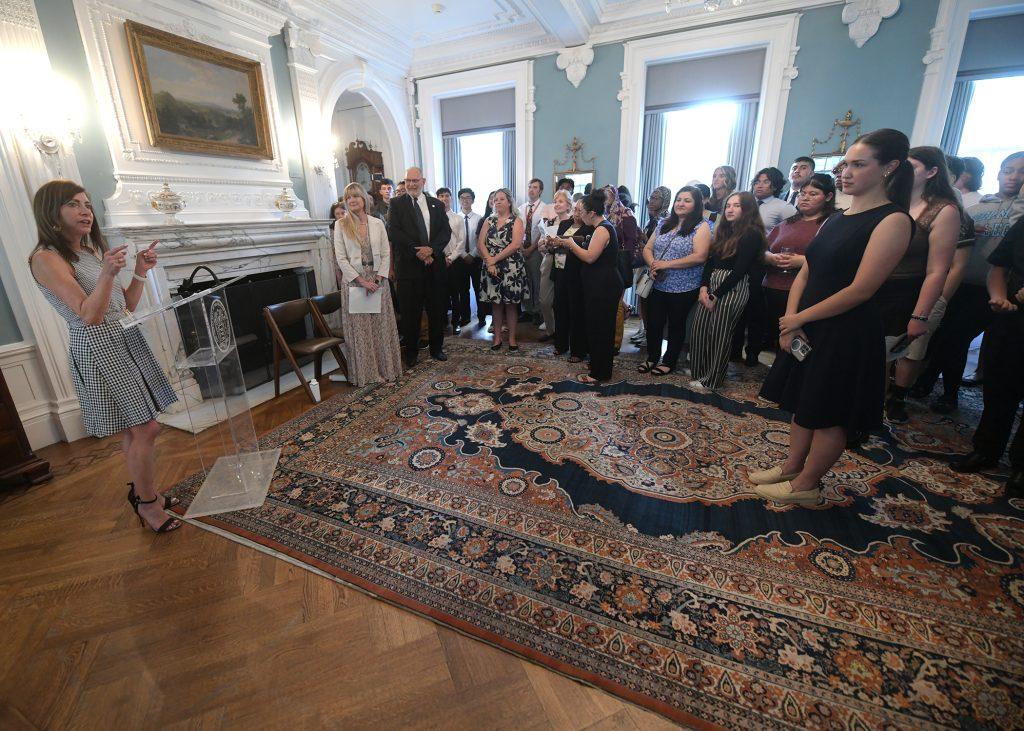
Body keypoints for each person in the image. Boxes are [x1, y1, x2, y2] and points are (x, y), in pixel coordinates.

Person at [755, 128, 915, 505]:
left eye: (859, 165)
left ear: (889, 167)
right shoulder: (838, 216)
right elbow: (808, 270)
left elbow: (861, 289)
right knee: (802, 402)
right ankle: (793, 466)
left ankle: (807, 485)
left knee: (829, 412)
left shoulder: (892, 220)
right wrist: (792, 316)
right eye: (845, 164)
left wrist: (798, 319)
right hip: (810, 323)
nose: (846, 172)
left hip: (846, 330)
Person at [29, 180, 180, 533]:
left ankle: (148, 495)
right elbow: (89, 314)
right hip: (98, 348)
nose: (85, 211)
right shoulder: (46, 258)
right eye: (73, 204)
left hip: (122, 338)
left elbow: (123, 306)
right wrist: (109, 272)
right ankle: (146, 504)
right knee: (148, 427)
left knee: (137, 428)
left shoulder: (88, 252)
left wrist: (139, 271)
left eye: (87, 204)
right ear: (52, 213)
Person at [913, 152, 1024, 410]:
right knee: (945, 335)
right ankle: (929, 382)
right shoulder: (976, 208)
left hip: (997, 290)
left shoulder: (1019, 212)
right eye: (1008, 170)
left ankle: (948, 393)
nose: (1014, 176)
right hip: (960, 283)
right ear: (998, 173)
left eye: (1021, 171)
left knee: (957, 336)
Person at [882, 147, 961, 422]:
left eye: (912, 167)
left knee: (898, 354)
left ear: (931, 171)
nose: (904, 172)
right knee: (872, 358)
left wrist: (920, 314)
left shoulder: (944, 210)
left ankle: (891, 401)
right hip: (878, 290)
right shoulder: (892, 201)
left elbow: (938, 270)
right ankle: (865, 408)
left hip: (910, 295)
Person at [951, 216, 1024, 494]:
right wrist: (999, 296)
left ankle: (1021, 466)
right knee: (999, 388)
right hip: (1011, 320)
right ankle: (986, 450)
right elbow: (999, 267)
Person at [689, 192, 766, 390]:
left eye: (736, 205)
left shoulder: (751, 233)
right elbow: (710, 263)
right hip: (712, 284)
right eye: (728, 205)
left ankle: (712, 380)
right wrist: (704, 288)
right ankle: (700, 371)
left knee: (719, 335)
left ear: (747, 208)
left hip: (732, 288)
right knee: (700, 330)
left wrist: (716, 295)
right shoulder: (724, 231)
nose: (730, 209)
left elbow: (740, 270)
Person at [551, 191, 624, 383]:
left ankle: (600, 373)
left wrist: (570, 244)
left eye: (582, 211)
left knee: (601, 328)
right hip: (597, 284)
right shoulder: (599, 227)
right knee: (595, 326)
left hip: (604, 285)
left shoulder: (602, 229)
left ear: (592, 213)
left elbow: (590, 257)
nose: (579, 214)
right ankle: (598, 364)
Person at [334, 182, 403, 385]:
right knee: (363, 331)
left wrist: (379, 278)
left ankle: (386, 369)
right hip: (355, 283)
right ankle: (368, 374)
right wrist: (362, 281)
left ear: (364, 198)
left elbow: (385, 252)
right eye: (348, 198)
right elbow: (341, 258)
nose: (352, 200)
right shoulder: (341, 224)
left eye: (356, 196)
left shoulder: (377, 223)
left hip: (378, 281)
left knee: (380, 327)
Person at [639, 186, 712, 376]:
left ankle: (669, 360)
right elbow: (647, 248)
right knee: (654, 323)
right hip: (659, 283)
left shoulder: (701, 226)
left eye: (687, 200)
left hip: (684, 287)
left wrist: (667, 264)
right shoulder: (664, 222)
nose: (681, 203)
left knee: (676, 325)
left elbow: (700, 256)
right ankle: (652, 357)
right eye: (679, 199)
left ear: (696, 204)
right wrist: (654, 264)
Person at [763, 174, 836, 351]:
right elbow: (763, 249)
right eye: (803, 193)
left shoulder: (831, 223)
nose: (805, 198)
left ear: (828, 197)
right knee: (774, 338)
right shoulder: (786, 223)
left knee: (798, 340)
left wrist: (803, 261)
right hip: (773, 286)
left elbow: (835, 258)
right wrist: (770, 257)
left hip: (805, 292)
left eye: (813, 194)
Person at [388, 166, 452, 367]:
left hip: (434, 266)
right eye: (408, 181)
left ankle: (436, 349)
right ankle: (412, 354)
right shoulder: (396, 204)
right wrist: (418, 251)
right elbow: (394, 232)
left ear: (423, 181)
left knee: (436, 311)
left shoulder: (435, 204)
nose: (411, 184)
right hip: (408, 268)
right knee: (410, 313)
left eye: (415, 181)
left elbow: (445, 232)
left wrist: (431, 250)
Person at [479, 188, 528, 350]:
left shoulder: (517, 220)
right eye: (495, 199)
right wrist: (490, 262)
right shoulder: (489, 220)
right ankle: (497, 338)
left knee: (511, 305)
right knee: (496, 304)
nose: (497, 201)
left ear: (509, 202)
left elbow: (515, 245)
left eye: (501, 199)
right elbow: (480, 243)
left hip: (512, 268)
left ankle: (512, 339)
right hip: (491, 267)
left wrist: (494, 259)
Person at [632, 185, 673, 346]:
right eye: (651, 197)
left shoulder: (667, 220)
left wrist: (643, 241)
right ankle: (644, 331)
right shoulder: (651, 219)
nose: (651, 201)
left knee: (653, 304)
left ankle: (652, 336)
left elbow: (660, 246)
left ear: (665, 201)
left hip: (656, 266)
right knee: (643, 297)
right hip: (645, 264)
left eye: (656, 198)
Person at [552, 200, 593, 359]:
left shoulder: (590, 228)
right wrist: (553, 243)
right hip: (560, 270)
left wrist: (568, 243)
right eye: (575, 209)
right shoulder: (564, 223)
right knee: (559, 308)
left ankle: (578, 351)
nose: (576, 212)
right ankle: (560, 345)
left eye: (580, 210)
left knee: (576, 312)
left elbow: (587, 248)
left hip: (578, 274)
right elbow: (557, 244)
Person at [536, 189, 573, 343]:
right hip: (550, 260)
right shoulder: (548, 222)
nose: (557, 204)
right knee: (544, 300)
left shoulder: (574, 222)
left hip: (567, 263)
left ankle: (565, 333)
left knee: (564, 300)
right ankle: (551, 330)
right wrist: (543, 244)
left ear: (568, 205)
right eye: (555, 201)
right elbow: (540, 244)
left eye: (561, 201)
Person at [435, 188, 470, 335]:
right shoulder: (433, 218)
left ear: (451, 198)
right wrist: (441, 257)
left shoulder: (457, 218)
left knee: (456, 294)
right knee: (440, 294)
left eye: (447, 196)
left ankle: (456, 322)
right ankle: (442, 322)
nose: (444, 198)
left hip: (454, 261)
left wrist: (450, 257)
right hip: (438, 260)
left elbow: (461, 241)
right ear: (437, 198)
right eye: (441, 196)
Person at [520, 178, 553, 326]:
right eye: (529, 187)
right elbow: (518, 229)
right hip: (521, 249)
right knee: (524, 280)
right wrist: (521, 248)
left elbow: (542, 231)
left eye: (535, 187)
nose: (531, 190)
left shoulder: (545, 208)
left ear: (540, 191)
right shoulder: (521, 208)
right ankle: (527, 310)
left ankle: (538, 312)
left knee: (537, 280)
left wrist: (531, 248)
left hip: (536, 250)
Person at [455, 188, 483, 328]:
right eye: (462, 198)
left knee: (478, 288)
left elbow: (481, 240)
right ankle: (465, 317)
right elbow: (454, 240)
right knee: (463, 290)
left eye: (468, 197)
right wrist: (464, 255)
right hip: (460, 259)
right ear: (459, 200)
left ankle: (482, 316)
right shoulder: (454, 218)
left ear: (472, 200)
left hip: (476, 258)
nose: (465, 200)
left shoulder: (479, 218)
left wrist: (472, 254)